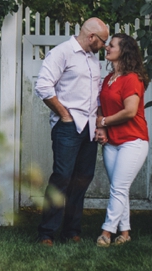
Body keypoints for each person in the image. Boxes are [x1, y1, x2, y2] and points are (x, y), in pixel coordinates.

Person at [34, 17, 110, 245]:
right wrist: (64, 115)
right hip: (68, 127)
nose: (105, 46)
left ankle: (71, 231)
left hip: (88, 128)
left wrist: (98, 121)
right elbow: (43, 86)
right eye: (103, 41)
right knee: (62, 178)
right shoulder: (62, 52)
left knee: (82, 179)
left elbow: (95, 94)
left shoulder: (92, 59)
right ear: (91, 37)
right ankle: (46, 233)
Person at [94, 33, 150, 247]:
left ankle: (106, 232)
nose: (106, 47)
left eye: (112, 45)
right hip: (112, 143)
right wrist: (102, 126)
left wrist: (104, 121)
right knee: (120, 187)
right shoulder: (109, 79)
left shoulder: (132, 79)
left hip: (133, 141)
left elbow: (130, 111)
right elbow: (101, 105)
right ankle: (125, 233)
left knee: (118, 187)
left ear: (123, 51)